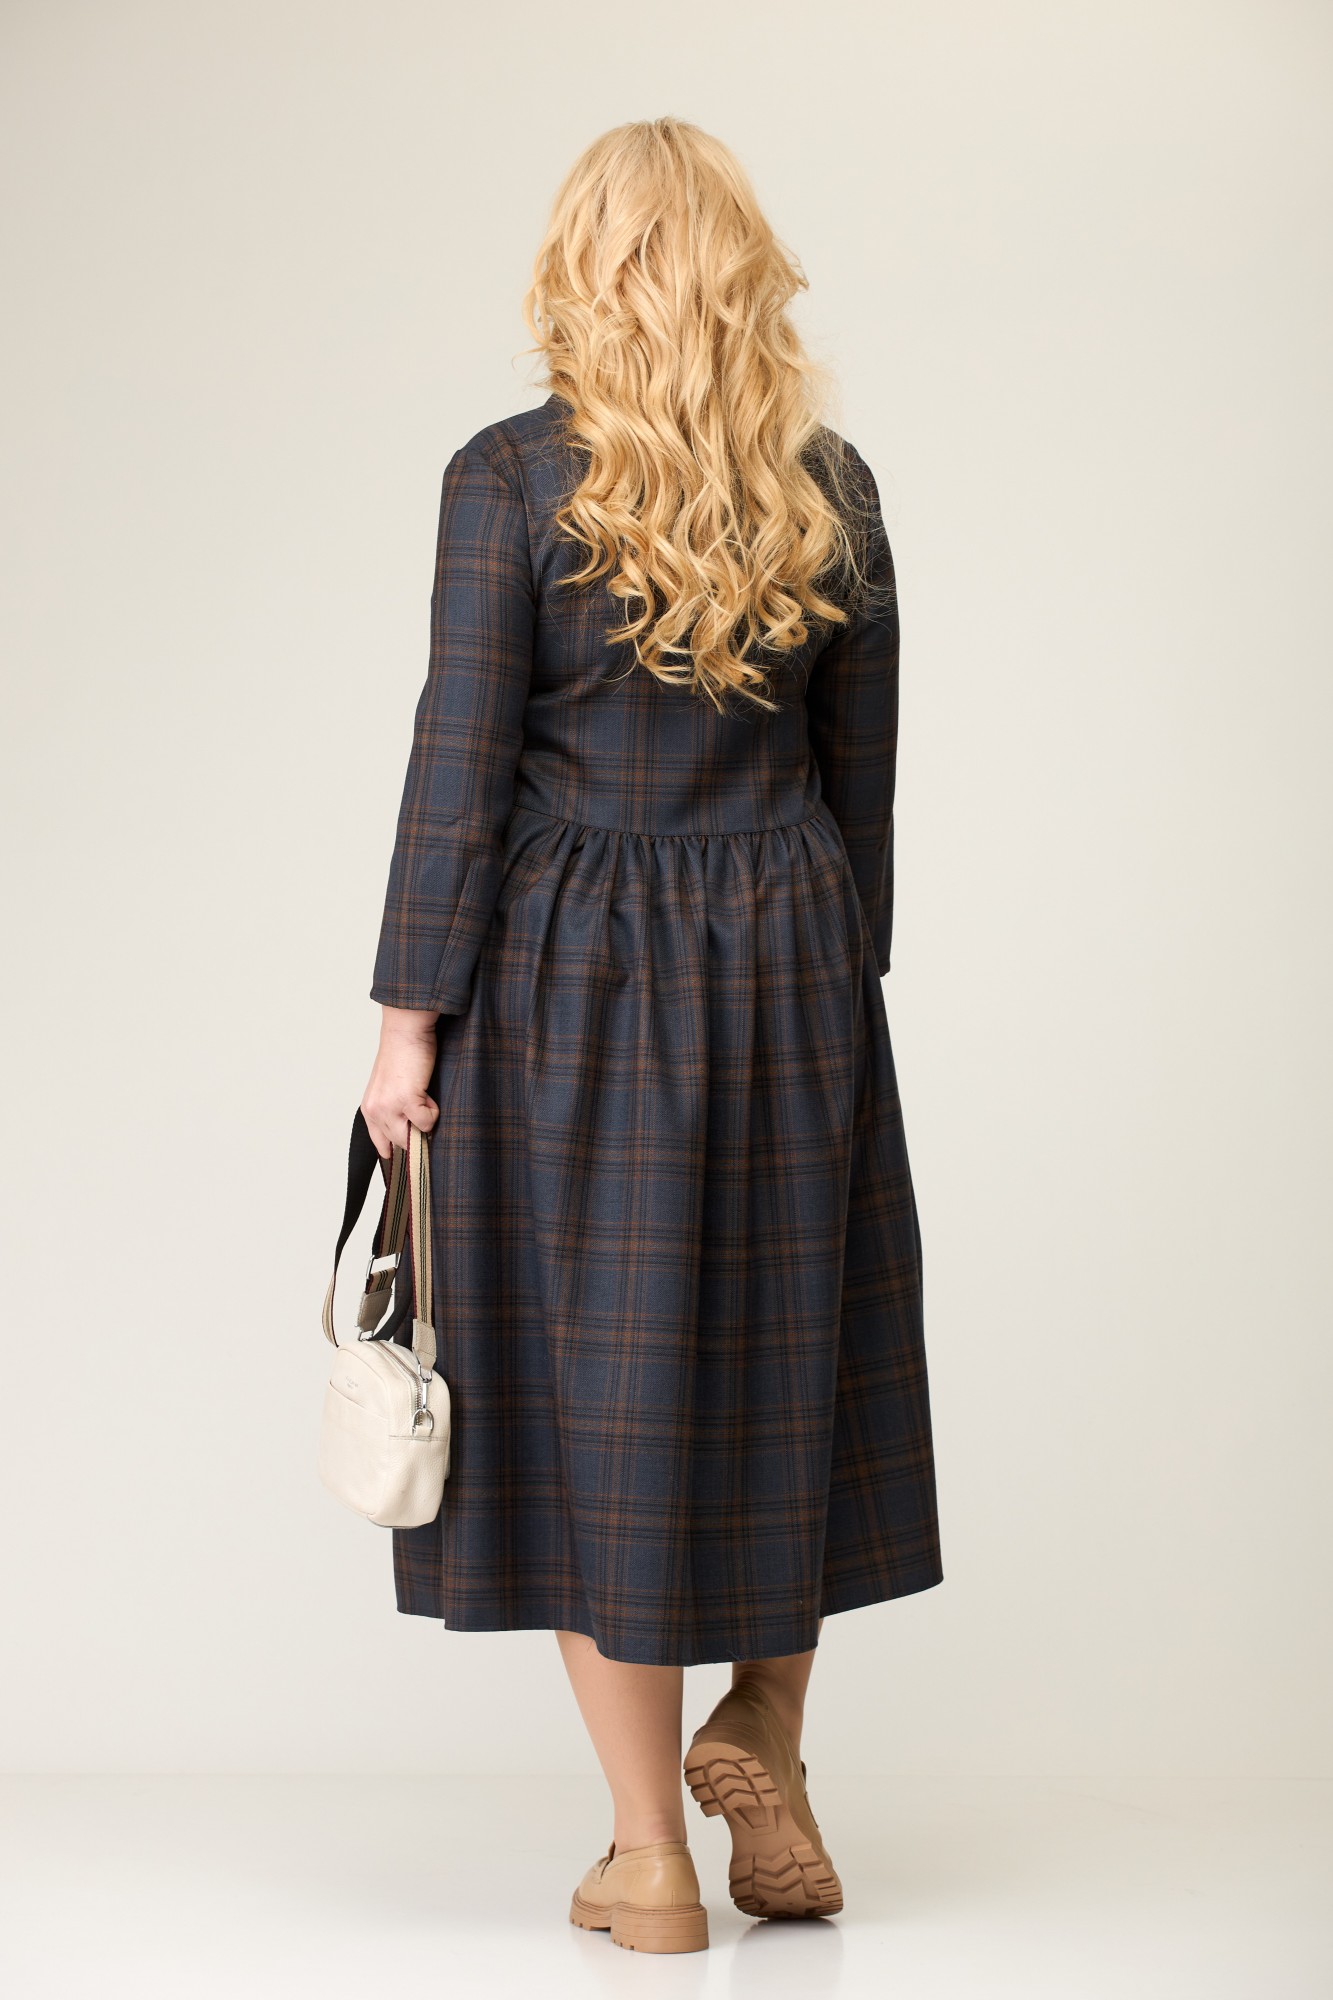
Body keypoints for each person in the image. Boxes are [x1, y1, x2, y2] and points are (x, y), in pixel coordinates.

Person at [358, 115, 943, 1955]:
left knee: (591, 1391)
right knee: (788, 1355)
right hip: (785, 953)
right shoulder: (828, 486)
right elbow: (861, 779)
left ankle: (649, 1863)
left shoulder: (509, 478)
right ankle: (761, 1721)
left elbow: (458, 771)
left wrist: (406, 1028)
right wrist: (837, 973)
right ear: (743, 272)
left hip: (572, 971)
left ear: (582, 270)